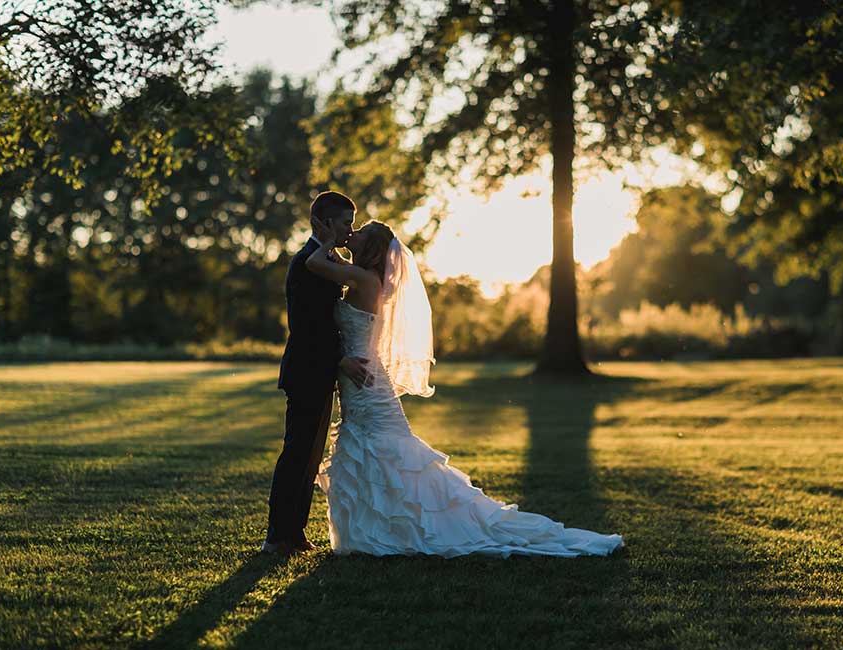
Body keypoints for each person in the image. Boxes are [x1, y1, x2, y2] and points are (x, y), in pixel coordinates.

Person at [303, 216, 624, 558]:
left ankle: (395, 527)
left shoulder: (364, 279)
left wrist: (324, 240)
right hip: (361, 375)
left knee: (382, 450)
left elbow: (313, 263)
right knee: (379, 450)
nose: (352, 234)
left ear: (370, 249)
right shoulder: (364, 277)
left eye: (359, 233)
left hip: (364, 379)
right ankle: (378, 526)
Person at [262, 191, 374, 556]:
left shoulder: (327, 260)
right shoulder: (304, 263)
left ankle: (294, 534)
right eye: (345, 223)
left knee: (310, 456)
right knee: (297, 453)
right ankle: (277, 536)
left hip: (322, 371)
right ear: (322, 223)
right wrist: (340, 359)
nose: (349, 230)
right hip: (307, 369)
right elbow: (308, 326)